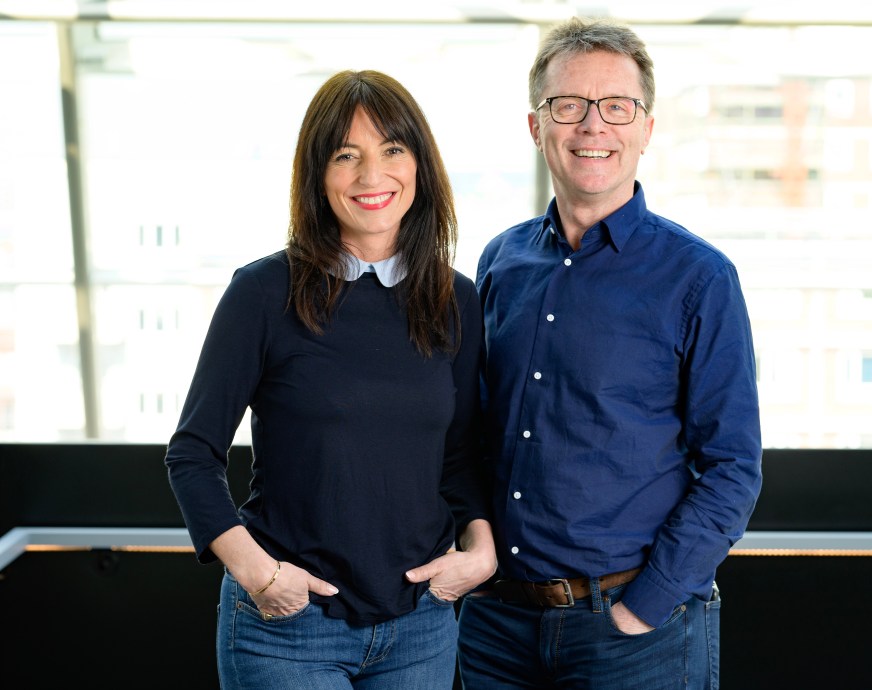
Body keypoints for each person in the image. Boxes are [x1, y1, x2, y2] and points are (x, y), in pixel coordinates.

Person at [456, 17, 763, 689]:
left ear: (645, 128)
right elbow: (474, 432)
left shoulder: (699, 278)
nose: (593, 125)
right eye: (569, 105)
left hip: (632, 634)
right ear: (538, 127)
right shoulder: (501, 262)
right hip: (496, 628)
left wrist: (644, 607)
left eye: (616, 106)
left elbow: (733, 468)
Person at [164, 69, 496, 689]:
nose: (373, 176)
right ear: (319, 175)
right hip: (288, 628)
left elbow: (458, 458)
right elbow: (192, 455)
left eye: (392, 150)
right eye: (348, 156)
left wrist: (479, 551)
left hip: (422, 626)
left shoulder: (455, 299)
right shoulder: (263, 293)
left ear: (420, 166)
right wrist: (259, 575)